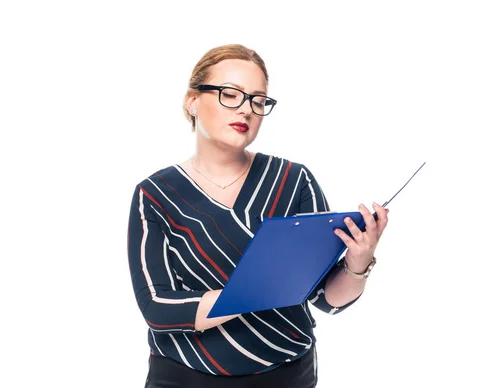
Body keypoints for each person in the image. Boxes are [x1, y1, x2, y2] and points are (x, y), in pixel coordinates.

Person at [126, 43, 389, 388]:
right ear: (193, 100)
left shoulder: (293, 181)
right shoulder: (156, 194)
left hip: (289, 376)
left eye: (258, 100)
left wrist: (358, 263)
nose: (246, 110)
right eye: (230, 94)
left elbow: (325, 299)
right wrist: (257, 289)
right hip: (186, 378)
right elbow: (157, 308)